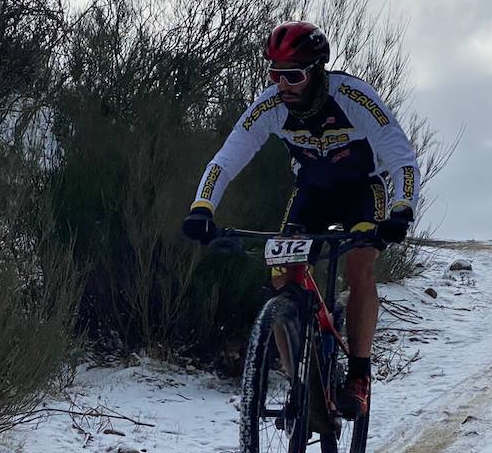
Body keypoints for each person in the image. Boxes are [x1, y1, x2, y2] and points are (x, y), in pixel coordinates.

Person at [180, 21, 421, 419]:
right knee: (281, 276)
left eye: (292, 75)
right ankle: (301, 383)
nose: (282, 85)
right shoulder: (271, 106)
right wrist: (202, 207)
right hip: (312, 191)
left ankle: (358, 375)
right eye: (274, 74)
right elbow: (227, 158)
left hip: (364, 190)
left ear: (317, 71)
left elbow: (401, 157)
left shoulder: (353, 97)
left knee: (360, 268)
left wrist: (401, 210)